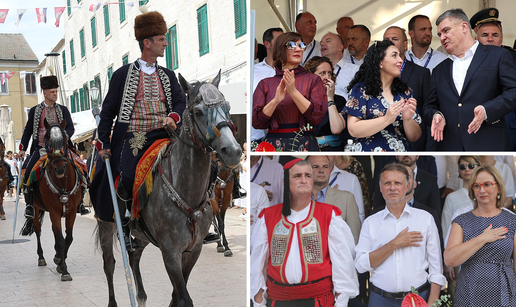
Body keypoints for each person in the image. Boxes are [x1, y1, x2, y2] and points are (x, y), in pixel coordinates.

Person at [89, 10, 186, 250]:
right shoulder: (122, 75)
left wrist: (174, 116)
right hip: (136, 137)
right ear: (147, 43)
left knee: (203, 166)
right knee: (129, 176)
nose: (166, 43)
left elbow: (181, 102)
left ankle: (203, 221)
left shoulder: (168, 75)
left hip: (166, 136)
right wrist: (104, 143)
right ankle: (129, 223)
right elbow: (108, 112)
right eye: (162, 39)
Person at [251, 158, 359, 306]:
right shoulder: (267, 217)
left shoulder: (329, 215)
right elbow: (257, 263)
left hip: (318, 300)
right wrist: (258, 302)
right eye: (297, 176)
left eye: (308, 175)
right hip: (279, 300)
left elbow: (343, 262)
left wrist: (341, 302)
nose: (303, 180)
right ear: (285, 182)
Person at [423, 8, 516, 151]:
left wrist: (487, 110)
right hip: (451, 148)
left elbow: (513, 91)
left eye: (446, 30)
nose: (442, 38)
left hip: (489, 144)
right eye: (440, 34)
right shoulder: (439, 70)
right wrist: (436, 115)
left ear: (464, 27)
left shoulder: (498, 55)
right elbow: (429, 106)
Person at [355, 163, 445, 307]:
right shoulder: (370, 222)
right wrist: (393, 244)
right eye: (387, 183)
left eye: (398, 183)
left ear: (408, 185)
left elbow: (436, 269)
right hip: (380, 300)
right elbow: (360, 265)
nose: (392, 187)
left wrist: (432, 303)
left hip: (418, 299)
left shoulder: (426, 219)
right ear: (380, 187)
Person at [444, 165, 516, 306]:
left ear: (499, 188)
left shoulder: (512, 220)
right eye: (476, 186)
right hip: (469, 292)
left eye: (487, 185)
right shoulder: (461, 220)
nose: (482, 190)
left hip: (504, 293)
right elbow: (450, 260)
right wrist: (482, 238)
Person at [19, 75, 90, 218]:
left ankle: (80, 202)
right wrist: (22, 148)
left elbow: (70, 127)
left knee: (82, 168)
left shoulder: (63, 110)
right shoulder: (34, 111)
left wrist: (64, 136)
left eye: (56, 92)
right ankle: (29, 206)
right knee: (27, 173)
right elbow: (27, 131)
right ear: (44, 93)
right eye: (52, 92)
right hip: (41, 149)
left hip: (62, 149)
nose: (55, 94)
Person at [252, 32, 327, 152]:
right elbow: (257, 123)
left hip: (306, 143)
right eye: (291, 45)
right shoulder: (265, 84)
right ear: (280, 49)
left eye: (301, 45)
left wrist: (293, 92)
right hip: (273, 144)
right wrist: (275, 100)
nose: (298, 49)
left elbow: (316, 117)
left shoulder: (313, 80)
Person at [343, 40, 422, 152]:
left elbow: (415, 137)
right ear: (380, 62)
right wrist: (386, 119)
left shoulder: (405, 92)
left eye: (399, 56)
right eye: (394, 55)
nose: (400, 60)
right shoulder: (361, 90)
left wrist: (408, 119)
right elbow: (353, 129)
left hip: (398, 154)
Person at [470, 7, 516, 150]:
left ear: (501, 38)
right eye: (485, 35)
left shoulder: (513, 57)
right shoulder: (467, 61)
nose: (490, 39)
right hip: (477, 123)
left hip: (509, 122)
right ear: (476, 39)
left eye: (495, 35)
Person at [383, 26, 432, 151]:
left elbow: (427, 109)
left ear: (405, 45)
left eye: (394, 39)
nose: (389, 42)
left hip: (413, 142)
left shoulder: (422, 73)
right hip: (382, 142)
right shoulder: (373, 75)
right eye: (386, 39)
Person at [440, 155, 480, 302]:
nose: (467, 169)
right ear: (458, 171)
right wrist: (447, 262)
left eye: (471, 165)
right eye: (462, 167)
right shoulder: (452, 198)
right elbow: (445, 228)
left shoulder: (486, 194)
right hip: (458, 256)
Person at [307, 155, 361, 243]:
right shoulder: (297, 198)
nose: (321, 170)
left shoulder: (347, 199)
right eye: (316, 167)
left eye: (325, 167)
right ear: (306, 171)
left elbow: (354, 240)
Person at [304, 56, 347, 151]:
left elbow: (336, 130)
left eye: (330, 73)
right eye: (322, 73)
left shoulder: (339, 100)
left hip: (333, 150)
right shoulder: (303, 100)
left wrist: (330, 98)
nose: (327, 77)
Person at [252, 27, 284, 143]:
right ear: (267, 44)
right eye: (279, 40)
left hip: (283, 134)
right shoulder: (253, 71)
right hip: (257, 136)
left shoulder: (291, 71)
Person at [320, 32, 359, 100]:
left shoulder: (355, 70)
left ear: (340, 47)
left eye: (328, 41)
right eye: (321, 43)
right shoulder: (317, 71)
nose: (322, 44)